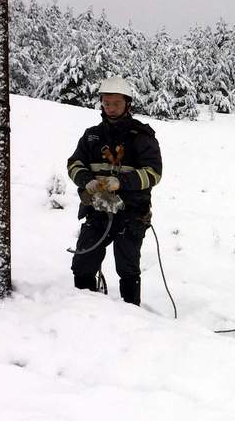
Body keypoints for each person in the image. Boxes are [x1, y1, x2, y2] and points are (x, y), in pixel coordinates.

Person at [67, 76, 163, 305]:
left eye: (116, 103)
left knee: (127, 267)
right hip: (98, 209)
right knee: (83, 262)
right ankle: (85, 309)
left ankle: (132, 316)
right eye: (106, 103)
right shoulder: (91, 135)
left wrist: (122, 182)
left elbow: (154, 173)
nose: (110, 108)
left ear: (128, 104)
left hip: (132, 213)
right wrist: (85, 180)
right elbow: (74, 164)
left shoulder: (142, 137)